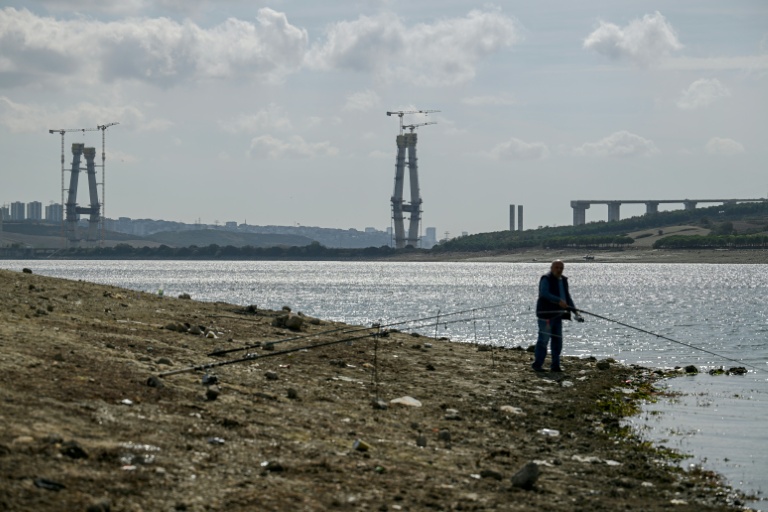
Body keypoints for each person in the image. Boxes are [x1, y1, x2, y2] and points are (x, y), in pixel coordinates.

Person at [532, 260, 582, 372]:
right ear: (551, 268)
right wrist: (558, 300)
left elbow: (567, 298)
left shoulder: (563, 280)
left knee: (557, 341)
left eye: (561, 268)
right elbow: (544, 293)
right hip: (546, 316)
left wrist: (575, 312)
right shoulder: (546, 278)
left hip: (558, 316)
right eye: (556, 267)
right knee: (543, 340)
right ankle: (537, 364)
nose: (559, 270)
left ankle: (555, 365)